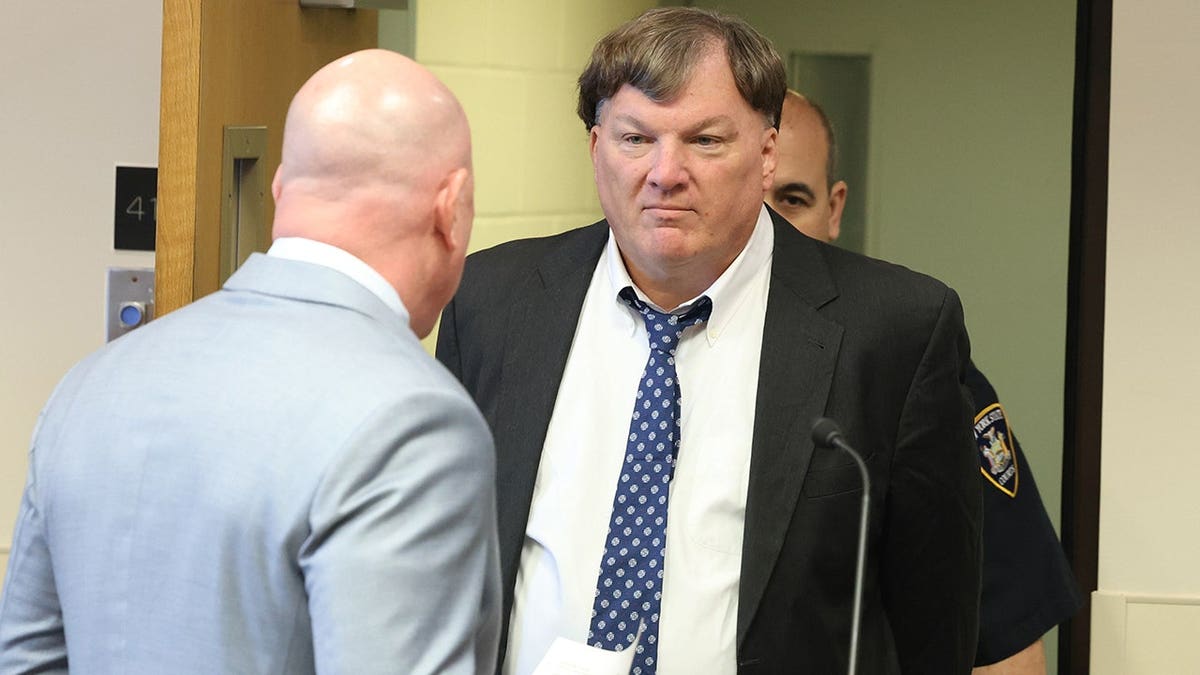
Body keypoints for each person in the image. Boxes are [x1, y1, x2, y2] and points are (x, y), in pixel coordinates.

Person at [437, 8, 981, 674]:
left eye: (705, 141)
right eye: (635, 138)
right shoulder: (491, 302)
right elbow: (447, 563)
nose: (666, 172)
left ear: (767, 153)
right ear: (595, 148)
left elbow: (934, 626)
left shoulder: (895, 331)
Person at [0, 49, 500, 674]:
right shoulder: (415, 423)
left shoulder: (92, 382)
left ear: (280, 189)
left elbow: (27, 660)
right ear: (451, 207)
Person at [765, 90, 1083, 674]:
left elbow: (1005, 647)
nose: (769, 229)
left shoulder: (916, 370)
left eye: (792, 200)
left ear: (834, 209)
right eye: (752, 198)